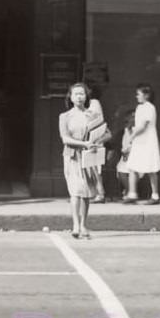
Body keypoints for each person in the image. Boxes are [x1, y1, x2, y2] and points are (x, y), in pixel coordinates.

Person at [58, 82, 110, 239]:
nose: (79, 97)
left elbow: (107, 133)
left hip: (89, 157)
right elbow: (65, 138)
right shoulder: (65, 116)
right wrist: (83, 143)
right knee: (75, 191)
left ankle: (83, 224)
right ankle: (75, 225)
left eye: (82, 94)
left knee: (87, 193)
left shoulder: (93, 115)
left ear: (86, 96)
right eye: (76, 94)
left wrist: (96, 142)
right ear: (71, 97)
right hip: (72, 156)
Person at [123, 83, 160, 205]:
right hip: (139, 142)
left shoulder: (149, 107)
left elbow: (144, 126)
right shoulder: (140, 108)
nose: (137, 96)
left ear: (147, 95)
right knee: (132, 166)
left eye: (139, 94)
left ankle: (155, 196)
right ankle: (132, 194)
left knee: (151, 168)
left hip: (148, 141)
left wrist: (131, 136)